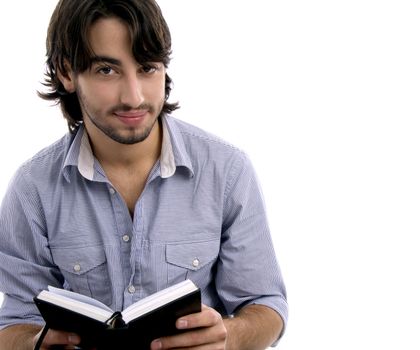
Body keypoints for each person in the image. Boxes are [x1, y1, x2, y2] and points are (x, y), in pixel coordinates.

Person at [0, 0, 287, 349]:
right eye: (107, 70)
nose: (134, 97)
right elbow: (14, 322)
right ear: (65, 72)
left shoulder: (227, 171)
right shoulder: (33, 189)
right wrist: (33, 343)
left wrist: (228, 339)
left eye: (148, 68)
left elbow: (267, 306)